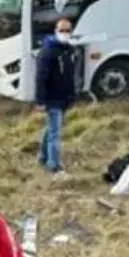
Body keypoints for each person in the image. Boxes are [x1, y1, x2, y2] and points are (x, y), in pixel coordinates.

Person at [35, 17, 77, 178]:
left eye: (68, 30)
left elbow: (70, 75)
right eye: (62, 30)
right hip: (52, 99)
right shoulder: (47, 52)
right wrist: (40, 100)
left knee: (51, 129)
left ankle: (44, 157)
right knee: (55, 132)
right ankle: (54, 165)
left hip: (64, 98)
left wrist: (72, 96)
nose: (65, 33)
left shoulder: (69, 50)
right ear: (55, 31)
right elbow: (40, 77)